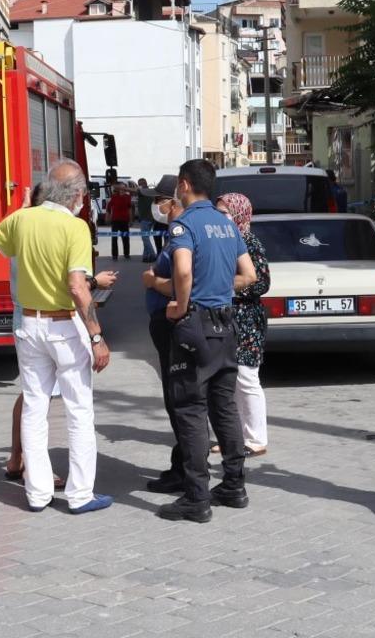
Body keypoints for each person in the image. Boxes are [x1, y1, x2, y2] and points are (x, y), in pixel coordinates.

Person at [0, 160, 113, 514]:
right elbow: (77, 287)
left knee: (34, 408)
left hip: (28, 327)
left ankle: (37, 494)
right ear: (78, 194)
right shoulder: (76, 227)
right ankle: (81, 495)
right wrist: (96, 335)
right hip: (64, 327)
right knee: (78, 410)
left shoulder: (22, 219)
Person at [143, 159, 257, 523]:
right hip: (226, 325)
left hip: (195, 326)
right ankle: (235, 485)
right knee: (224, 407)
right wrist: (220, 289)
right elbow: (249, 274)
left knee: (190, 410)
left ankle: (196, 496)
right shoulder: (226, 224)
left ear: (185, 184)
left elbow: (183, 269)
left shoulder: (185, 224)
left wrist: (179, 304)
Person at [4, 184, 117, 485]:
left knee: (34, 399)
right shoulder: (55, 229)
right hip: (52, 323)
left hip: (29, 321)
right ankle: (60, 482)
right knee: (65, 405)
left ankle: (27, 471)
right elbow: (69, 286)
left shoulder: (21, 227)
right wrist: (96, 336)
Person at [216, 193, 270, 457]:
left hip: (246, 318)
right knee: (230, 380)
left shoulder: (248, 241)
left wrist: (224, 286)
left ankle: (256, 439)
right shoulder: (226, 240)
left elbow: (261, 282)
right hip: (228, 316)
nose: (220, 217)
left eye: (225, 212)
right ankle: (234, 437)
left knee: (247, 378)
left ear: (238, 214)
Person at [139, 175, 183, 482]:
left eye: (159, 200)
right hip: (166, 322)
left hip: (173, 323)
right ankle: (184, 465)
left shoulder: (181, 234)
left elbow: (184, 284)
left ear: (173, 201)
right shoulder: (172, 233)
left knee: (179, 398)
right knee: (177, 397)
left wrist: (153, 281)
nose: (156, 205)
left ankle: (186, 471)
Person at [107, 183, 133, 259]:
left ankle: (126, 254)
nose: (122, 189)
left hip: (125, 220)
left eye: (124, 187)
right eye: (121, 187)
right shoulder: (114, 196)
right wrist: (107, 217)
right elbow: (109, 207)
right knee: (114, 238)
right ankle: (114, 255)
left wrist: (131, 220)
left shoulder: (128, 197)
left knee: (125, 238)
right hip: (115, 220)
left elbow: (130, 209)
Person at [136, 177, 158, 262]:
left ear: (143, 184)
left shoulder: (142, 191)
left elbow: (131, 190)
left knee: (145, 238)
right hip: (151, 218)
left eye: (140, 184)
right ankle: (145, 256)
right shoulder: (151, 192)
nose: (139, 186)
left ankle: (152, 254)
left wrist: (120, 187)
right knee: (146, 237)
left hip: (145, 218)